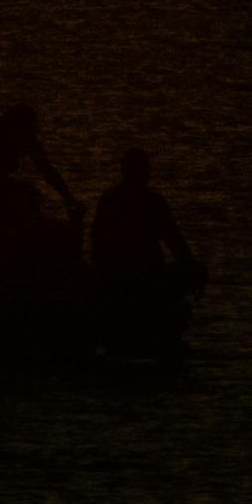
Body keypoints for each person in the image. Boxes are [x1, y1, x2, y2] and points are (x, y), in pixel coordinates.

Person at [88, 145, 205, 359]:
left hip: (119, 276)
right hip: (145, 276)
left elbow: (96, 242)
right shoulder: (153, 202)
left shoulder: (109, 199)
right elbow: (175, 241)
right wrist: (193, 268)